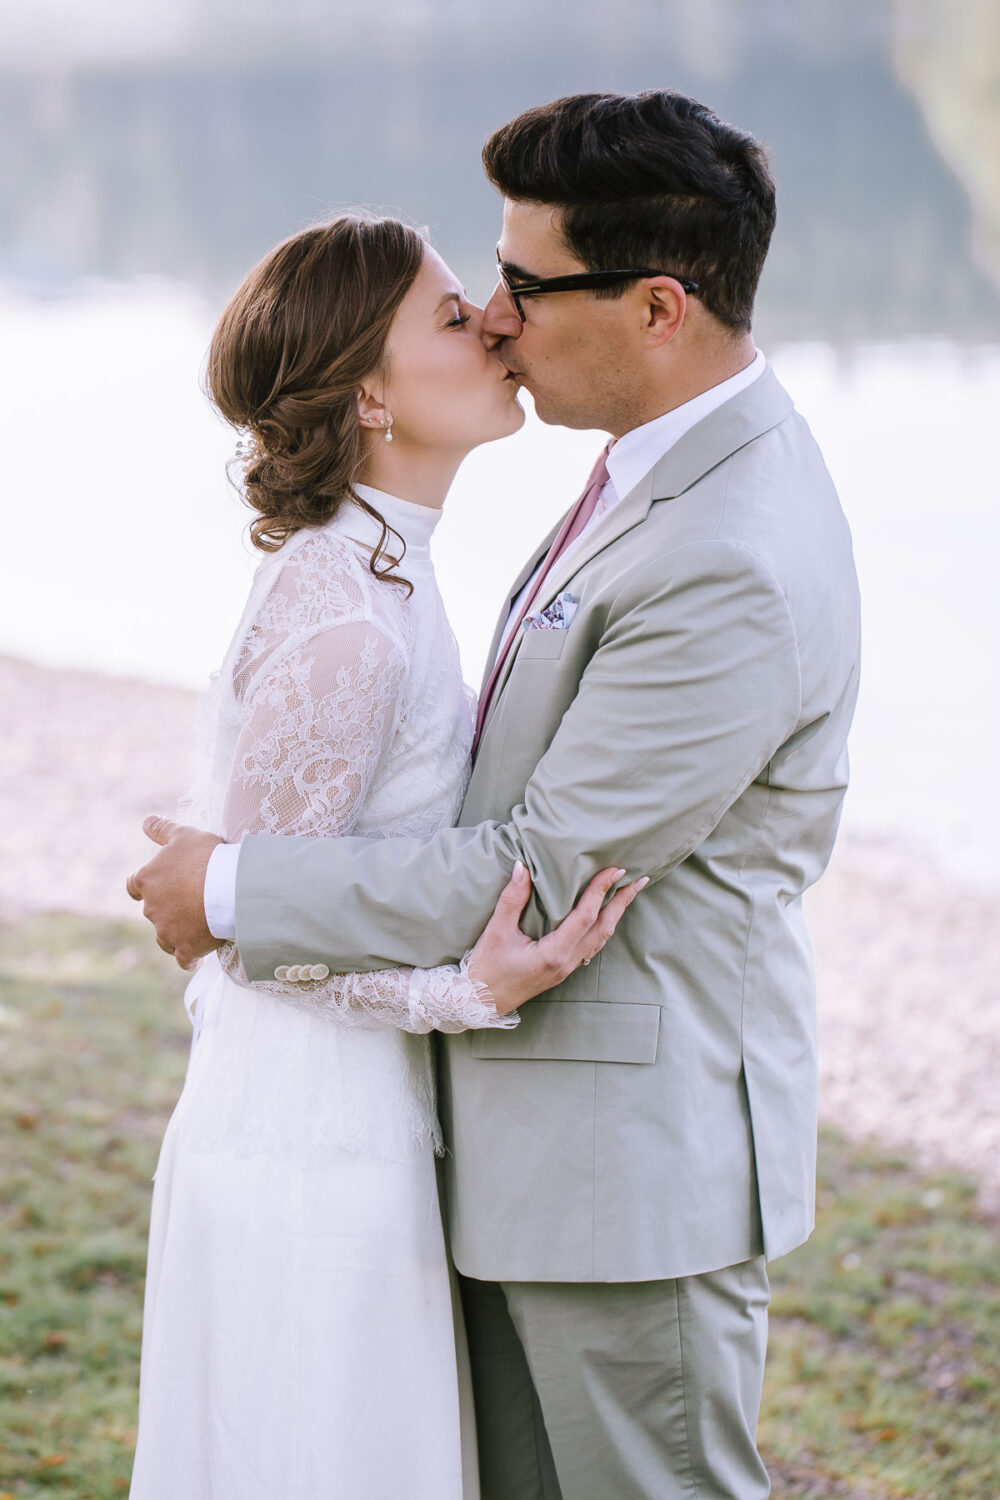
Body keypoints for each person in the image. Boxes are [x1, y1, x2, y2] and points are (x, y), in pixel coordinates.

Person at [133, 90, 862, 1499]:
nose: (499, 319)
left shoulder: (728, 549)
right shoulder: (640, 481)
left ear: (657, 308)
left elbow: (537, 857)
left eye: (523, 286)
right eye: (477, 290)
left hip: (626, 1178)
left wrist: (225, 886)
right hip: (490, 1150)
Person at [126, 212, 644, 1500]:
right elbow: (257, 936)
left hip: (353, 1115)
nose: (497, 326)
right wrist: (464, 994)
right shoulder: (348, 615)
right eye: (454, 315)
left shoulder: (385, 570)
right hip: (308, 1140)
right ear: (369, 392)